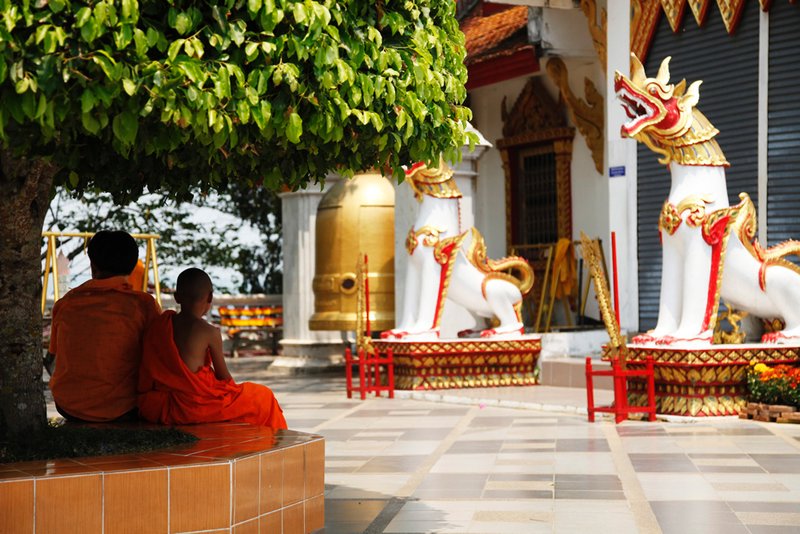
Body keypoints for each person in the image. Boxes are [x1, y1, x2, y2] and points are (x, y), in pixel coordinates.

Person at [138, 268, 287, 428]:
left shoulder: (160, 325)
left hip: (158, 405)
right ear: (210, 297)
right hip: (193, 407)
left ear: (177, 297)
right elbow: (225, 378)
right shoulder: (209, 332)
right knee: (263, 397)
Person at [47, 230, 160, 422]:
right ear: (133, 267)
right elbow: (160, 354)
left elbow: (54, 355)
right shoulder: (142, 304)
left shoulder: (66, 303)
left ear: (93, 265)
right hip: (123, 408)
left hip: (68, 405)